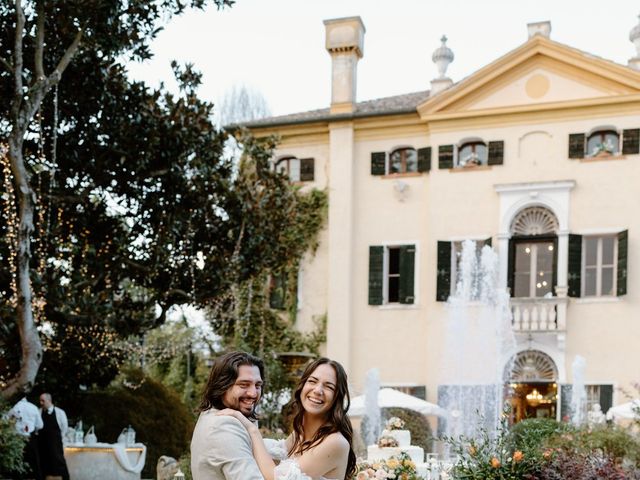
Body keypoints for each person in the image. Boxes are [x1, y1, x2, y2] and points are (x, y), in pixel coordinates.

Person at [218, 357, 357, 480]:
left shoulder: (335, 442)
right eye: (313, 381)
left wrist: (252, 429)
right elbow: (275, 453)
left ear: (337, 398)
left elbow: (274, 477)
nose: (318, 390)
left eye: (329, 387)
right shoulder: (301, 432)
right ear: (302, 386)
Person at [190, 351, 266, 480]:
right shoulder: (223, 427)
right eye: (244, 385)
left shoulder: (216, 415)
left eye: (258, 385)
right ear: (222, 386)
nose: (253, 393)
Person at [7, 397, 43, 480]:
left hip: (16, 438)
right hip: (30, 438)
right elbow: (40, 425)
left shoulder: (14, 407)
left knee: (18, 463)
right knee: (34, 462)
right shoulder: (33, 407)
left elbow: (6, 421)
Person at [37, 393, 70, 480]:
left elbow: (64, 427)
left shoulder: (60, 412)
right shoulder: (38, 411)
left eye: (43, 401)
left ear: (49, 400)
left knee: (59, 461)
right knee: (43, 461)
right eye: (40, 401)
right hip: (42, 442)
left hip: (56, 442)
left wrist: (59, 438)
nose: (41, 403)